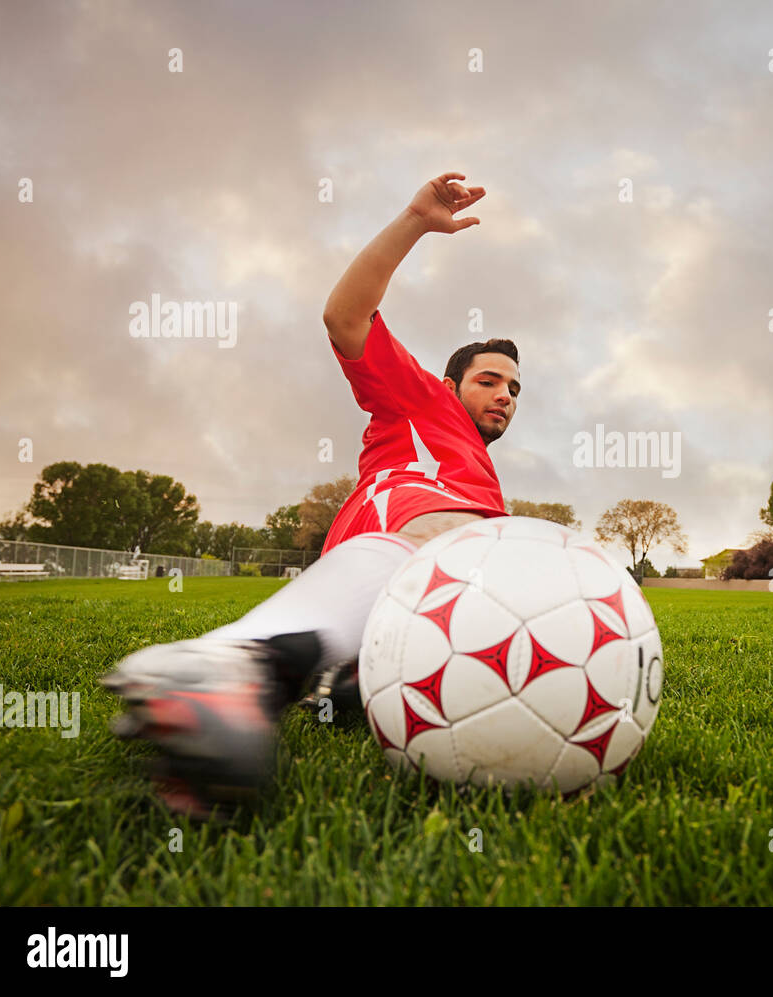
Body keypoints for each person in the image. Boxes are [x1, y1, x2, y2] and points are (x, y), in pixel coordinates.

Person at [101, 173, 520, 818]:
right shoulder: (422, 399)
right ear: (450, 383)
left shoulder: (483, 475)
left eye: (514, 390)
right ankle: (231, 661)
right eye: (490, 380)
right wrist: (415, 219)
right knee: (465, 538)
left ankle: (338, 680)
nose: (504, 396)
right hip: (405, 534)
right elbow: (345, 315)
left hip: (416, 582)